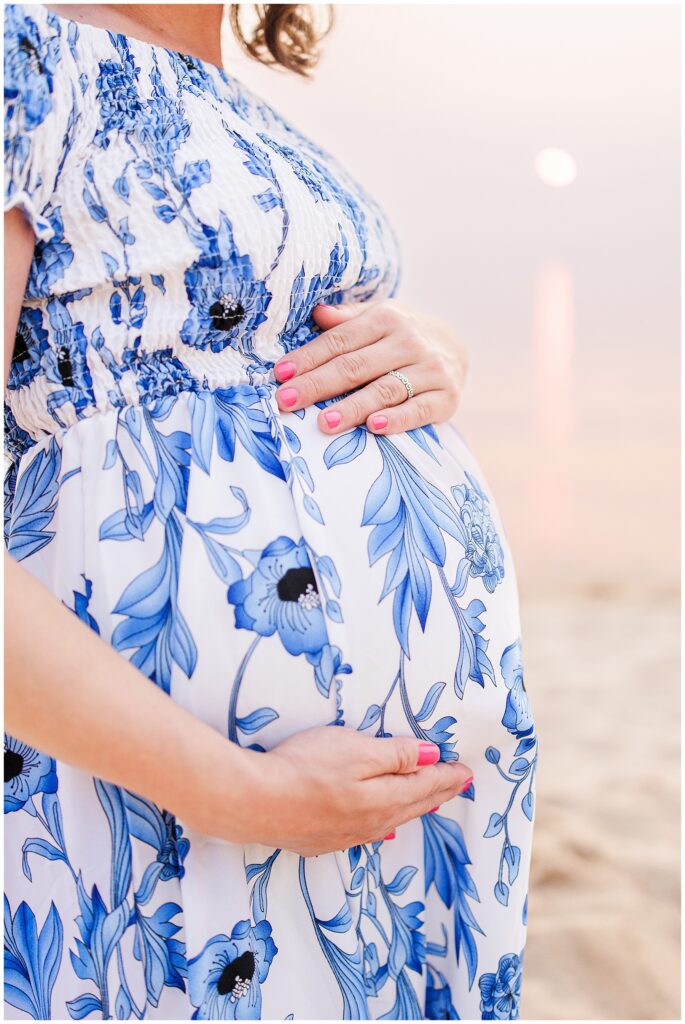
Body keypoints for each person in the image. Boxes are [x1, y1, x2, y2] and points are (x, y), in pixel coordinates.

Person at [3, 3, 538, 1019]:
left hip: (394, 834)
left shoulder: (237, 102)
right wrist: (236, 794)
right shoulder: (21, 54)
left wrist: (431, 353)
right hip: (181, 818)